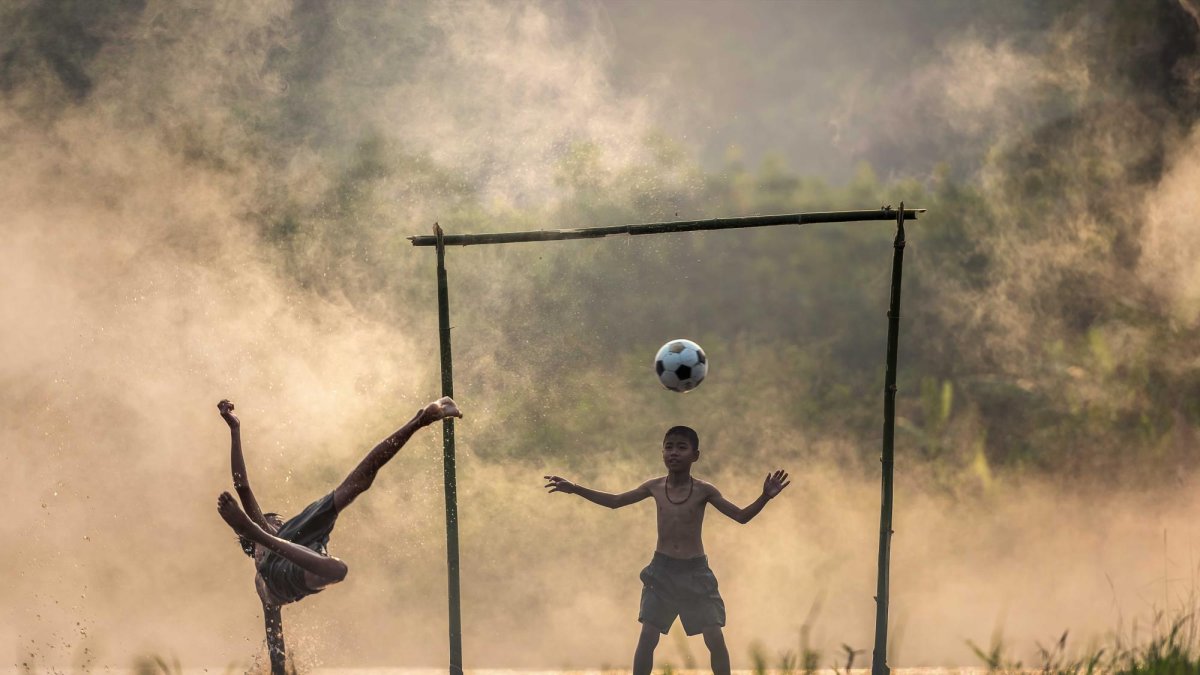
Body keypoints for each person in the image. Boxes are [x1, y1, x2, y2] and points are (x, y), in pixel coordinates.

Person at [215, 396, 461, 674]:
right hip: (280, 572)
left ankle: (422, 418)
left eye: (277, 522)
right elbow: (242, 486)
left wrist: (235, 429)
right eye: (274, 521)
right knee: (335, 566)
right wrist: (234, 430)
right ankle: (421, 419)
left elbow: (244, 489)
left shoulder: (289, 531)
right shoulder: (264, 567)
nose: (278, 520)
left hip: (298, 546)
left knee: (353, 487)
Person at [544, 425, 789, 675]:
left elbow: (740, 516)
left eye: (681, 447)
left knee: (714, 637)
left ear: (695, 455)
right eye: (668, 447)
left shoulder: (705, 490)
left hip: (695, 573)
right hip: (662, 572)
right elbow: (615, 502)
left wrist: (765, 497)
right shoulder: (654, 487)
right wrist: (574, 488)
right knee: (648, 636)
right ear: (662, 452)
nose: (673, 453)